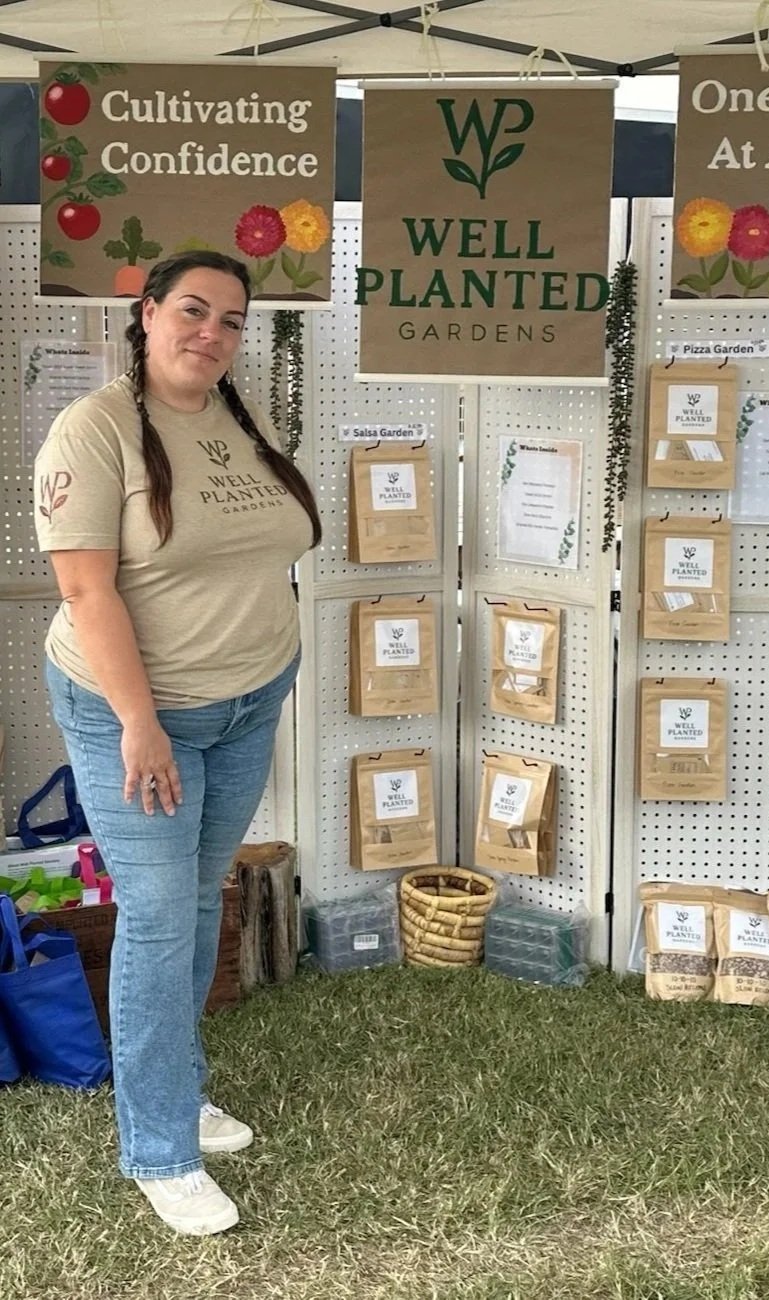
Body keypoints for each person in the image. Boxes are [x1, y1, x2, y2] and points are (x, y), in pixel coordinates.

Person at [34, 251, 321, 1236]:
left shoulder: (244, 418)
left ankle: (176, 1082)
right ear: (148, 313)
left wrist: (268, 667)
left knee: (199, 899)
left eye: (231, 320)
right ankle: (157, 1143)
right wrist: (139, 724)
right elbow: (86, 589)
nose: (211, 333)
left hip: (245, 702)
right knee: (158, 917)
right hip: (137, 715)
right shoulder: (96, 428)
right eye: (192, 311)